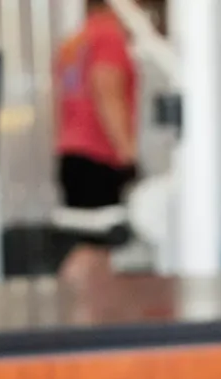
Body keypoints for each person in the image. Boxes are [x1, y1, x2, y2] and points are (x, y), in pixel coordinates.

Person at [54, 0, 138, 285]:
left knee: (96, 251)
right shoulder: (108, 35)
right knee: (92, 250)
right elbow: (106, 90)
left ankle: (92, 321)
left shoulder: (77, 39)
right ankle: (72, 322)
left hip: (73, 153)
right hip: (98, 155)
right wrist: (128, 153)